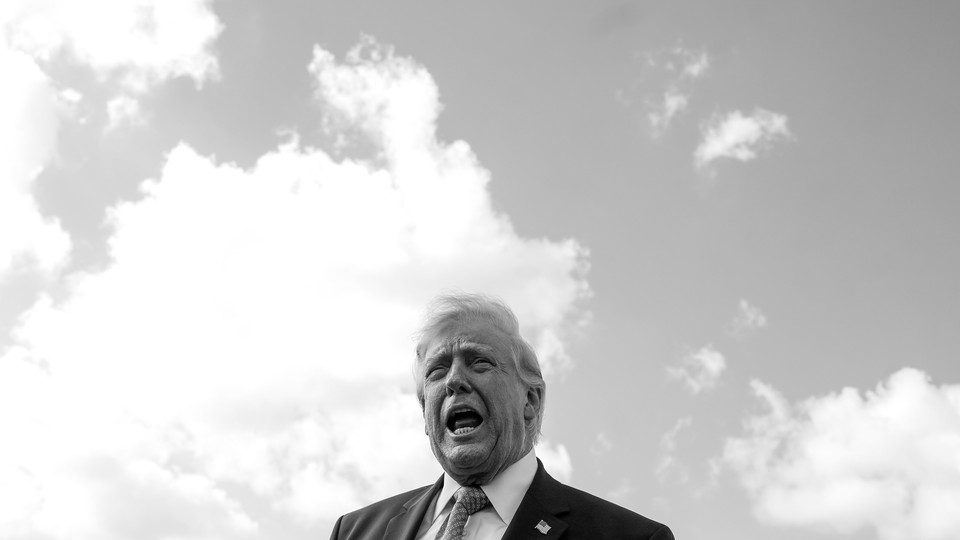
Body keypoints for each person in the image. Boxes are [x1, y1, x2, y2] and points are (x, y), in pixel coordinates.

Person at [329, 293, 674, 540]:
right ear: (425, 414)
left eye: (479, 361)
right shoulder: (355, 531)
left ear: (531, 400)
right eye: (436, 370)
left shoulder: (631, 536)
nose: (454, 381)